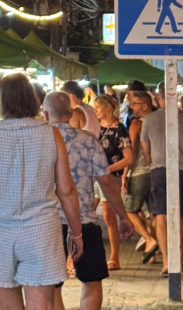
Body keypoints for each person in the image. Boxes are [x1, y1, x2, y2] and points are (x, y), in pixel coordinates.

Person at [0, 73, 83, 310]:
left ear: (2, 100)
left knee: (8, 304)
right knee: (42, 303)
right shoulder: (51, 133)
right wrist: (77, 232)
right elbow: (67, 190)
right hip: (41, 229)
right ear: (32, 99)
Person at [42, 92, 135, 310]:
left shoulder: (39, 140)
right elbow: (106, 183)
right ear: (71, 112)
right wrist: (123, 216)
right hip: (84, 220)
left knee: (52, 286)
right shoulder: (88, 141)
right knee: (92, 281)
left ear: (45, 114)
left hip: (47, 222)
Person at [139, 93, 183, 277]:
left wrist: (151, 161)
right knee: (182, 217)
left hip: (159, 170)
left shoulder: (149, 119)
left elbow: (145, 149)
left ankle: (167, 262)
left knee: (161, 215)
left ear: (159, 98)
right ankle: (179, 261)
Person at [92, 95, 133, 270]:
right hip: (93, 177)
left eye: (97, 108)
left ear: (108, 108)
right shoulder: (94, 128)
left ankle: (114, 256)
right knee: (85, 211)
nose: (95, 111)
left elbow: (128, 158)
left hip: (109, 177)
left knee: (109, 217)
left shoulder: (119, 130)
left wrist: (108, 169)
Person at [122, 91, 159, 263]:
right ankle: (151, 249)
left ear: (144, 105)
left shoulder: (136, 124)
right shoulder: (160, 122)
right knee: (154, 213)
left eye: (134, 104)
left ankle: (148, 239)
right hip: (156, 171)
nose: (131, 107)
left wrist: (124, 174)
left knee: (129, 210)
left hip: (138, 172)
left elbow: (131, 152)